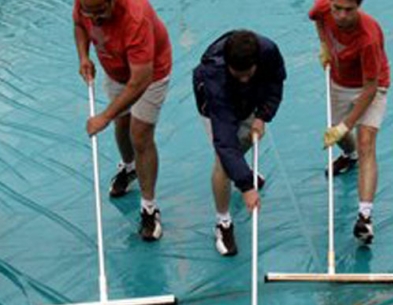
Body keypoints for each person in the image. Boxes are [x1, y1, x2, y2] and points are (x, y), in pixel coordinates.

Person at [73, 0, 172, 241]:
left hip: (150, 73)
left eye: (100, 12)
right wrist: (84, 56)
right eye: (89, 12)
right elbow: (79, 24)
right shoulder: (85, 4)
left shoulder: (136, 18)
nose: (94, 19)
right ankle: (129, 168)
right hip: (115, 68)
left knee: (140, 135)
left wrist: (104, 116)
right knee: (122, 123)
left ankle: (149, 208)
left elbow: (140, 79)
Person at [193, 30, 286, 256]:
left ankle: (240, 171)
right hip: (214, 106)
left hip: (248, 97)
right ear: (228, 66)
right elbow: (225, 141)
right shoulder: (214, 74)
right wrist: (246, 186)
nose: (243, 77)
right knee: (223, 160)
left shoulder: (268, 52)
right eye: (238, 74)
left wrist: (263, 115)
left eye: (248, 72)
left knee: (242, 142)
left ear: (257, 61)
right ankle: (223, 222)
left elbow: (275, 83)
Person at [310, 0, 390, 245]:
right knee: (343, 137)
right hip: (339, 83)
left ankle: (365, 217)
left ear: (359, 6)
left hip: (371, 87)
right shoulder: (324, 8)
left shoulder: (368, 38)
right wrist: (324, 44)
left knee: (366, 143)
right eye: (337, 9)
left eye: (348, 10)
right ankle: (350, 155)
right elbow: (318, 20)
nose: (341, 15)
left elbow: (370, 88)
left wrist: (347, 124)